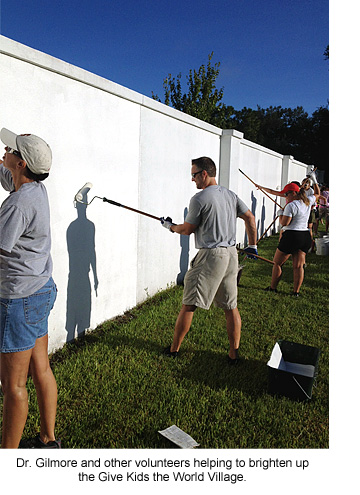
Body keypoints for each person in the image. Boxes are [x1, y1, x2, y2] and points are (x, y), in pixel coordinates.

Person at [160, 157, 257, 364]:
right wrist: (253, 245)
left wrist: (169, 226)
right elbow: (250, 218)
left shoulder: (199, 199)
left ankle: (173, 350)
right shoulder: (230, 195)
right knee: (231, 306)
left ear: (204, 173)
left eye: (194, 175)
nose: (192, 179)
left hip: (211, 256)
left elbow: (186, 230)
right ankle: (234, 353)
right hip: (231, 255)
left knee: (189, 304)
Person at [0, 128, 60, 448]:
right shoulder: (35, 188)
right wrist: (5, 164)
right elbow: (7, 175)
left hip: (19, 300)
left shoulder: (18, 205)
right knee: (42, 368)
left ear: (22, 163)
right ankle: (49, 439)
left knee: (13, 386)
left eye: (11, 149)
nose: (6, 149)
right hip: (40, 291)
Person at [265, 169, 320, 297]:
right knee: (298, 266)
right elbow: (317, 193)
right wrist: (315, 180)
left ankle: (273, 288)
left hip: (292, 236)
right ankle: (296, 292)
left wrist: (280, 214)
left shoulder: (291, 206)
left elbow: (285, 223)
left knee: (277, 263)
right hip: (305, 236)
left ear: (293, 193)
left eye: (286, 194)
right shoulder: (307, 201)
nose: (285, 197)